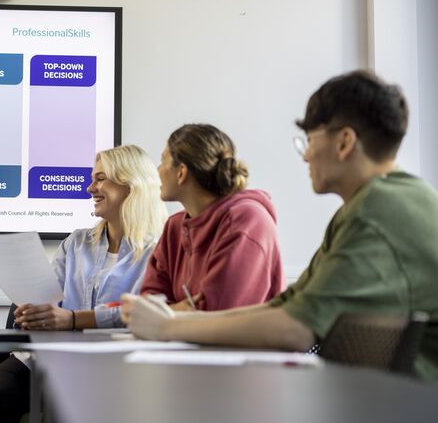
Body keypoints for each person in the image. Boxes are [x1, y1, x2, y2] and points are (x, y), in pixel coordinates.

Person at [122, 70, 438, 381]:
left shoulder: (378, 209)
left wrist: (168, 327)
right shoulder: (372, 204)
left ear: (344, 142)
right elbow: (287, 305)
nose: (306, 156)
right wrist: (171, 320)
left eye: (309, 141)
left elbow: (297, 329)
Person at [0, 144, 169, 423]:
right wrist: (32, 311)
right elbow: (48, 297)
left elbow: (143, 314)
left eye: (100, 179)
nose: (90, 188)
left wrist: (72, 320)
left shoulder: (158, 250)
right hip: (49, 358)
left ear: (130, 186)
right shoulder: (77, 242)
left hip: (116, 366)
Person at [140, 123, 284, 312]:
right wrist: (181, 311)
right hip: (177, 340)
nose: (157, 170)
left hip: (236, 342)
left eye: (163, 161)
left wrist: (170, 312)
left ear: (181, 172)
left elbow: (219, 314)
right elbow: (147, 306)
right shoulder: (174, 227)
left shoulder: (247, 220)